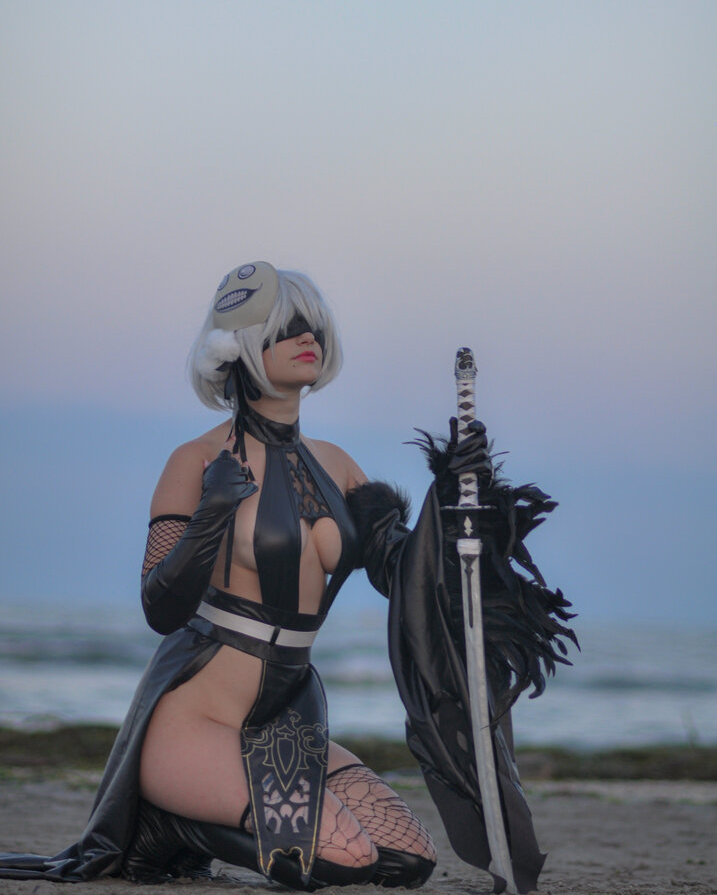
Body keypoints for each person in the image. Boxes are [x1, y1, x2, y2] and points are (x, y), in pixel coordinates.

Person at [1, 260, 575, 893]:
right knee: (341, 859)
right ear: (241, 347)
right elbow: (159, 606)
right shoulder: (195, 460)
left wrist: (456, 493)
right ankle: (168, 823)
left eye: (316, 328)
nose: (309, 339)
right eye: (287, 328)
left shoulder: (337, 465)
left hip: (285, 726)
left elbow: (406, 576)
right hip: (195, 723)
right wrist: (213, 511)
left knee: (408, 859)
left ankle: (200, 822)